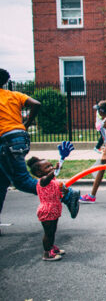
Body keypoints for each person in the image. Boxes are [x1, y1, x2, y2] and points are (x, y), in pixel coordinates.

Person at [0, 68, 79, 226]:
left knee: (22, 181)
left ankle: (66, 193)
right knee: (2, 181)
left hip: (6, 140)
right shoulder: (13, 95)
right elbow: (36, 104)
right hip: (19, 138)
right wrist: (26, 125)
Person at [27, 157, 69, 261]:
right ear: (38, 172)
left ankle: (51, 247)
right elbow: (50, 177)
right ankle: (46, 253)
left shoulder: (52, 180)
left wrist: (64, 191)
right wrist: (56, 169)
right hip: (47, 210)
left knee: (53, 230)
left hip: (54, 208)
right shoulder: (43, 180)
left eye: (51, 165)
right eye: (47, 167)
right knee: (48, 232)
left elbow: (57, 191)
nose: (50, 167)